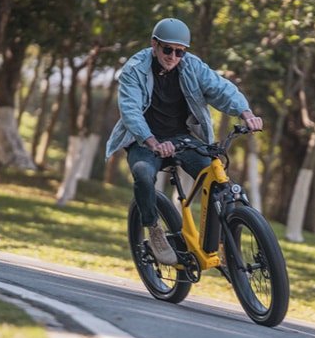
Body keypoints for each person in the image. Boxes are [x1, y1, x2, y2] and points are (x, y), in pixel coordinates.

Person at [105, 17, 263, 265]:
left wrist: (247, 113)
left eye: (180, 52)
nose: (173, 56)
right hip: (144, 140)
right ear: (154, 45)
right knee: (144, 174)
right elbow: (131, 111)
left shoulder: (191, 66)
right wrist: (152, 142)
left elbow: (221, 88)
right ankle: (154, 229)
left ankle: (222, 242)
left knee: (217, 179)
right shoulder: (134, 69)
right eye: (168, 49)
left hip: (181, 138)